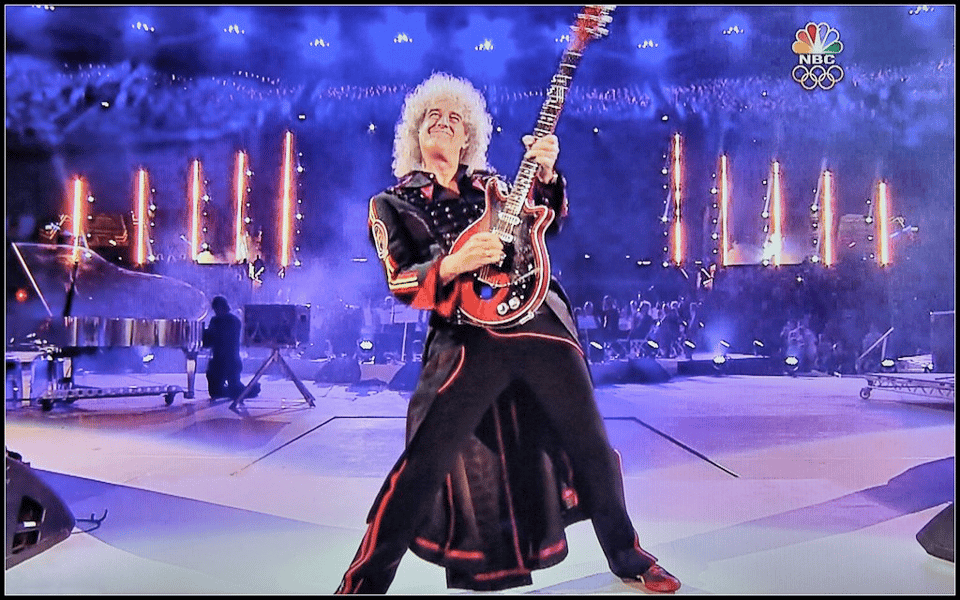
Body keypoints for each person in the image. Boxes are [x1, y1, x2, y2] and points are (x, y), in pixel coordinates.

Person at [335, 72, 680, 594]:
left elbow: (550, 222)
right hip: (466, 333)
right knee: (425, 459)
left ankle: (629, 557)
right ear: (416, 134)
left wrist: (547, 172)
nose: (444, 125)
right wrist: (454, 262)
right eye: (433, 117)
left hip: (540, 322)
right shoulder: (391, 204)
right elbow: (400, 279)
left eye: (455, 120)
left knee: (590, 442)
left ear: (469, 136)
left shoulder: (496, 189)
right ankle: (362, 582)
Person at [202, 295, 258, 400]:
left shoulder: (233, 321)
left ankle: (249, 390)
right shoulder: (215, 321)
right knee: (215, 392)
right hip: (217, 361)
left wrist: (207, 334)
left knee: (235, 388)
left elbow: (222, 339)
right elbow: (209, 340)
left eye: (217, 308)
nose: (216, 311)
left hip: (230, 362)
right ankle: (238, 391)